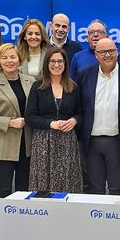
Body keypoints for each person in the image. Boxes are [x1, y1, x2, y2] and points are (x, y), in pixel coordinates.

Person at [76, 38, 120, 195]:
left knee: (117, 187)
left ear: (117, 52)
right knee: (94, 188)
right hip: (90, 141)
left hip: (118, 141)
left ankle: (118, 219)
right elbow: (78, 106)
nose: (107, 55)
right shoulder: (84, 75)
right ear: (95, 55)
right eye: (102, 52)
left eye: (111, 51)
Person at [0, 43, 34, 196]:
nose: (9, 61)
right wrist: (9, 122)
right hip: (2, 146)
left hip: (26, 144)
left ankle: (22, 219)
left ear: (19, 59)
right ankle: (3, 221)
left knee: (24, 190)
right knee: (3, 190)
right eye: (5, 58)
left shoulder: (31, 82)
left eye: (13, 57)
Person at [26, 46, 84, 193]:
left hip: (67, 142)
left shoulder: (73, 87)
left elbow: (81, 113)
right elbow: (30, 117)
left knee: (67, 182)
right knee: (44, 185)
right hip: (43, 143)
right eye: (52, 61)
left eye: (60, 61)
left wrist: (74, 121)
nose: (56, 65)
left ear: (65, 64)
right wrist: (50, 123)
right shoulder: (37, 86)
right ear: (46, 64)